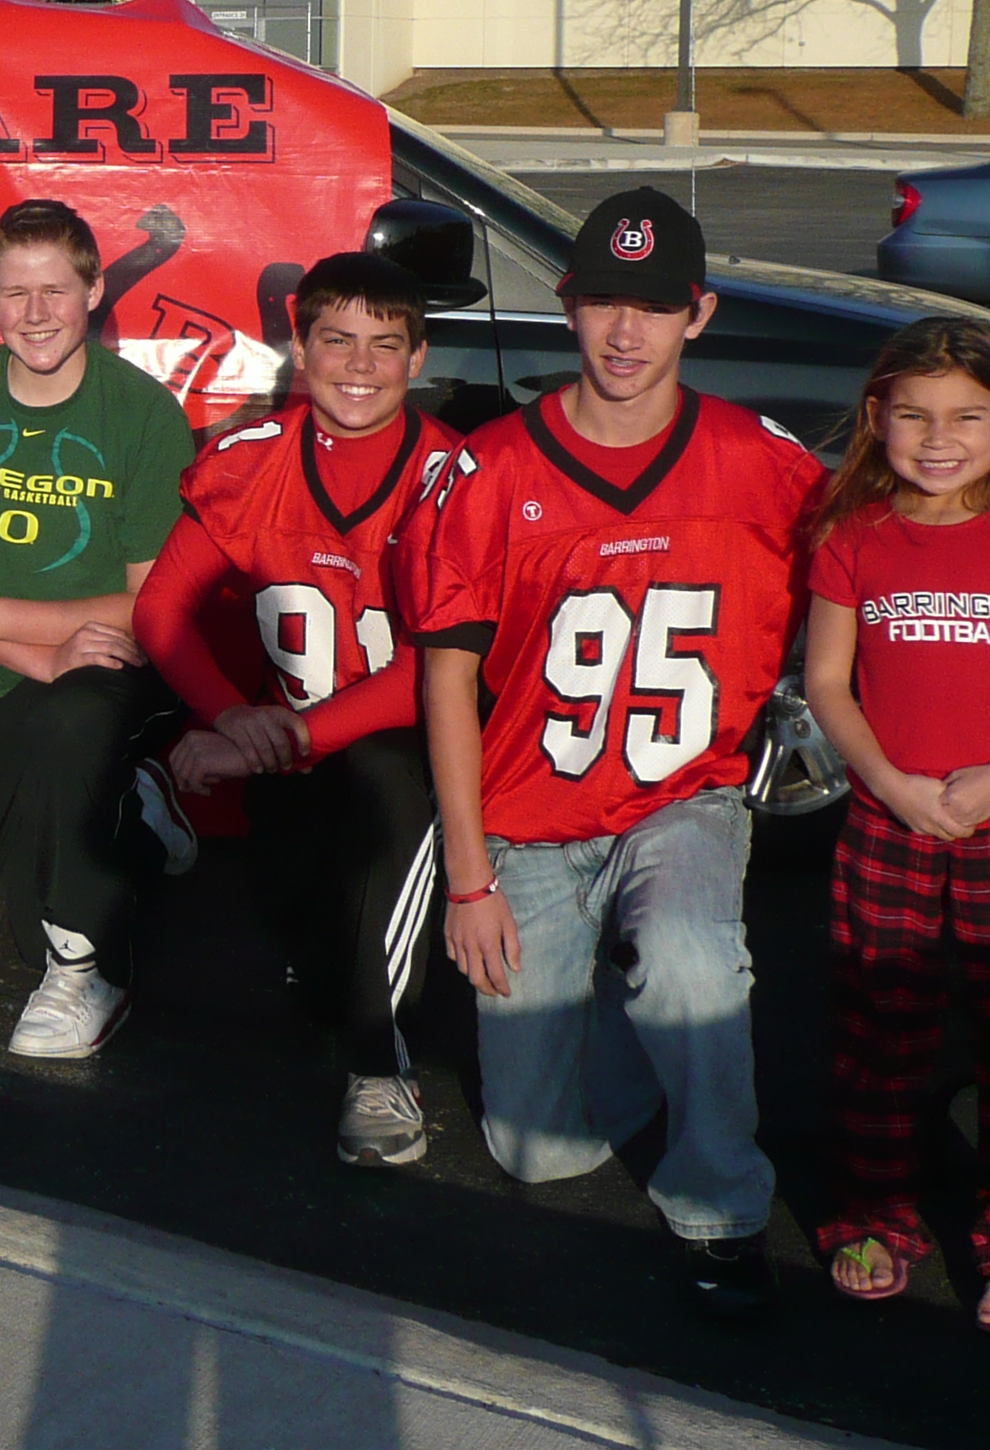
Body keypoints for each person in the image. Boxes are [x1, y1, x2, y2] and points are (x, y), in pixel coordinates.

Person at [410, 187, 824, 1319]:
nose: (625, 332)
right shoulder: (492, 471)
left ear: (700, 312)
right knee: (538, 1151)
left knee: (692, 955)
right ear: (567, 304)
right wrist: (467, 876)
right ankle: (617, 1011)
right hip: (530, 811)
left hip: (681, 798)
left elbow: (899, 561)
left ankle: (723, 1208)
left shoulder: (763, 463)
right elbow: (446, 675)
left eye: (653, 306)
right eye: (602, 303)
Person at [800, 318, 990, 1337]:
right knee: (880, 1037)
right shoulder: (852, 536)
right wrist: (888, 780)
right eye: (915, 416)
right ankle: (873, 1216)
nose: (940, 437)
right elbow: (828, 683)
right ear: (877, 418)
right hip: (887, 829)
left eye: (968, 416)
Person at [136, 250, 463, 1162]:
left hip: (405, 742)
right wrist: (228, 716)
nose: (359, 366)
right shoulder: (252, 459)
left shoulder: (453, 480)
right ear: (300, 343)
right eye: (338, 340)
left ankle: (378, 1068)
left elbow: (439, 666)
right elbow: (162, 608)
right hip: (287, 754)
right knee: (308, 961)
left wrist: (266, 740)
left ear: (419, 358)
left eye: (383, 345)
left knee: (386, 794)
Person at [0, 199, 197, 1059]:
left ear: (95, 291)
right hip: (5, 674)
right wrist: (36, 651)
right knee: (28, 913)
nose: (36, 314)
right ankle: (135, 819)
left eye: (56, 291)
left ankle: (86, 974)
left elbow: (147, 602)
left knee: (73, 731)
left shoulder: (141, 412)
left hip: (115, 672)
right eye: (16, 292)